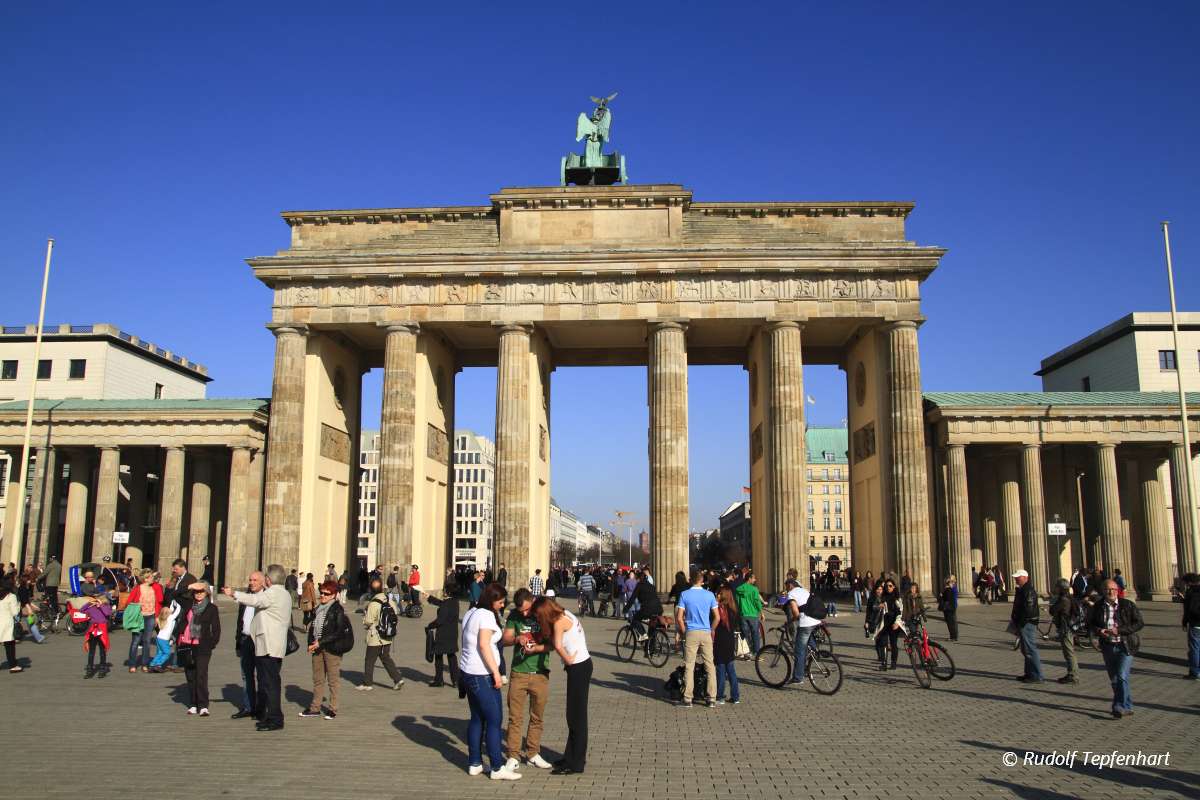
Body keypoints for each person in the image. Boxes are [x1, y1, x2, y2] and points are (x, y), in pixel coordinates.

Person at [459, 583, 520, 780]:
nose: (502, 606)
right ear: (491, 599)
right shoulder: (485, 615)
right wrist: (496, 672)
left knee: (477, 718)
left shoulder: (472, 612)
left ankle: (475, 763)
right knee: (494, 720)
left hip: (468, 672)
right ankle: (496, 767)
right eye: (500, 602)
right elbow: (484, 644)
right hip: (481, 674)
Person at [225, 564, 292, 732]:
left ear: (268, 579)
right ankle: (270, 716)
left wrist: (234, 593)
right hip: (273, 644)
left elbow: (255, 600)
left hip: (268, 645)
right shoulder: (284, 593)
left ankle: (275, 719)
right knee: (270, 683)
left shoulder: (273, 593)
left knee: (270, 684)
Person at [533, 595, 592, 775]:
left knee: (577, 717)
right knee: (573, 715)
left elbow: (557, 645)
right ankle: (569, 757)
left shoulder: (559, 622)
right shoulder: (565, 614)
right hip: (582, 666)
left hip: (578, 667)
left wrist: (568, 660)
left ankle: (576, 763)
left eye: (538, 615)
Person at [501, 588, 554, 771]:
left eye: (526, 609)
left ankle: (532, 753)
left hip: (540, 672)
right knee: (515, 717)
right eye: (520, 610)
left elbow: (552, 644)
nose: (524, 613)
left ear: (532, 601)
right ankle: (513, 756)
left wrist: (537, 648)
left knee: (537, 717)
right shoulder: (514, 616)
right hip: (519, 672)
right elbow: (505, 639)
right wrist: (517, 638)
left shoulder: (542, 614)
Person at [298, 580, 354, 719]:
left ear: (334, 595)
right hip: (317, 648)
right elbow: (313, 628)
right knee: (317, 679)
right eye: (321, 592)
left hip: (331, 649)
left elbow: (339, 631)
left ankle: (333, 709)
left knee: (333, 680)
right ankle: (315, 708)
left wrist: (321, 642)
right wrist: (311, 643)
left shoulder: (337, 610)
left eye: (326, 593)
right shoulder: (318, 608)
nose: (322, 595)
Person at [1090, 578, 1144, 718]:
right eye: (1108, 589)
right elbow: (1090, 624)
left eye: (1113, 589)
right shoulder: (1098, 606)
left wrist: (1119, 630)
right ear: (1103, 591)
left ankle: (1118, 706)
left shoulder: (1127, 605)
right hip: (1108, 645)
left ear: (1117, 591)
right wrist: (1098, 631)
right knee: (1115, 679)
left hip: (1125, 644)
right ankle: (1127, 705)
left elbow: (1139, 623)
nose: (1111, 592)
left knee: (1121, 676)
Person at [675, 569, 718, 707]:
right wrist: (712, 629)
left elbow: (679, 618)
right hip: (706, 632)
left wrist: (683, 632)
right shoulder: (710, 595)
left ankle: (688, 698)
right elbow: (717, 617)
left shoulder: (684, 594)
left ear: (690, 580)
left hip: (691, 632)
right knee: (710, 665)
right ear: (702, 580)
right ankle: (711, 698)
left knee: (689, 665)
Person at [178, 582, 220, 716]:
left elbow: (216, 628)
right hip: (186, 643)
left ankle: (203, 704)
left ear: (207, 593)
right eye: (197, 592)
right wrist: (190, 586)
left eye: (202, 591)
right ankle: (193, 703)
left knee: (201, 674)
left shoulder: (211, 608)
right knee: (190, 675)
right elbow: (174, 594)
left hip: (202, 646)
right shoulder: (188, 604)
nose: (199, 594)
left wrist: (212, 643)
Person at [361, 578, 404, 691]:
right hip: (388, 635)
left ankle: (367, 683)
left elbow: (368, 621)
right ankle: (398, 678)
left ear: (371, 589)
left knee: (370, 659)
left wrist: (365, 621)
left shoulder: (373, 603)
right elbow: (395, 614)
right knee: (385, 657)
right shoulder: (389, 601)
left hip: (375, 636)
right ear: (381, 588)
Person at [232, 575, 262, 719]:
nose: (251, 583)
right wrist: (238, 641)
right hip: (245, 639)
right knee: (246, 675)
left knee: (262, 676)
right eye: (250, 580)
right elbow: (241, 620)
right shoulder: (245, 597)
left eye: (255, 580)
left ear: (263, 582)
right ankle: (248, 706)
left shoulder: (265, 597)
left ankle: (261, 709)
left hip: (260, 640)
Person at [125, 569, 162, 672]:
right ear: (145, 579)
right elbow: (129, 602)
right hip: (139, 617)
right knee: (136, 641)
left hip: (151, 616)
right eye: (150, 577)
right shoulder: (137, 588)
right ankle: (132, 664)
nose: (152, 578)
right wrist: (137, 605)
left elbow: (157, 603)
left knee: (147, 641)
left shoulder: (154, 588)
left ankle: (144, 664)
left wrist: (157, 617)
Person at [1010, 569, 1044, 684]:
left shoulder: (1027, 590)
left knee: (1030, 649)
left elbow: (1028, 610)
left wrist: (1021, 623)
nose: (1016, 579)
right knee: (1025, 649)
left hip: (1027, 623)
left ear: (1025, 577)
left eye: (1018, 577)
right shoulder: (1022, 590)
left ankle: (1037, 675)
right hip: (1024, 622)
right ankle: (1029, 673)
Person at [1048, 577, 1079, 684]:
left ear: (1061, 588)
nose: (1055, 588)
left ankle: (1073, 675)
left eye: (1056, 586)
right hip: (1067, 627)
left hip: (1066, 628)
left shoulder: (1063, 600)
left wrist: (1053, 600)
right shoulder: (1068, 598)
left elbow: (1052, 611)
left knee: (1069, 652)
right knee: (1068, 651)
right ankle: (1071, 673)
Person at [427, 590, 461, 687]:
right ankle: (456, 680)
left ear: (448, 593)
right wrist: (429, 597)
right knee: (452, 657)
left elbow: (440, 620)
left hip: (443, 634)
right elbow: (441, 603)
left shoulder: (446, 604)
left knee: (438, 656)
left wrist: (430, 625)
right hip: (452, 634)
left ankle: (439, 680)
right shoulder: (454, 602)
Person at [713, 586, 741, 704]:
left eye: (719, 593)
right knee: (731, 670)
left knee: (720, 669)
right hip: (730, 641)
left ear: (723, 595)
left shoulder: (719, 609)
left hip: (720, 641)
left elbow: (714, 623)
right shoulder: (733, 609)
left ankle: (720, 696)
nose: (717, 595)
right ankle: (735, 697)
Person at [81, 592, 113, 679]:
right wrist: (89, 603)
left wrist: (101, 605)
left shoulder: (106, 606)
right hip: (93, 629)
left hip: (102, 629)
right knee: (91, 651)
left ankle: (102, 669)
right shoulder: (92, 607)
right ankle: (89, 669)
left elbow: (108, 614)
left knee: (102, 651)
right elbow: (82, 610)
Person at [873, 579, 901, 670]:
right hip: (884, 623)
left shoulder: (897, 598)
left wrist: (897, 623)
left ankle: (893, 663)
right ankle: (884, 664)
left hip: (894, 623)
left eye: (890, 586)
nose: (888, 587)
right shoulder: (883, 597)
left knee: (893, 644)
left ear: (894, 587)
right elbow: (874, 606)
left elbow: (901, 612)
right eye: (887, 586)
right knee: (883, 643)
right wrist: (878, 606)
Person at [733, 571, 763, 656]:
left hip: (743, 614)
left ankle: (747, 650)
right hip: (753, 614)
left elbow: (737, 601)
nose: (755, 580)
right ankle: (756, 651)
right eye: (754, 578)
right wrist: (761, 612)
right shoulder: (754, 589)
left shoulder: (739, 589)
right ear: (749, 579)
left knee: (745, 633)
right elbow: (757, 602)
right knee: (755, 633)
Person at [628, 569, 663, 641]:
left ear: (639, 579)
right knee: (652, 629)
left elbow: (632, 599)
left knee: (635, 619)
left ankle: (643, 634)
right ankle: (650, 649)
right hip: (658, 608)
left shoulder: (639, 585)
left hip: (648, 609)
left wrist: (625, 609)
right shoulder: (652, 586)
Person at [0, 581, 23, 673]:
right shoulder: (11, 596)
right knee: (9, 645)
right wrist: (18, 605)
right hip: (7, 623)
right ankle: (13, 665)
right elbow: (14, 612)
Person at [1183, 573, 1200, 680]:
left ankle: (1194, 672)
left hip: (1196, 624)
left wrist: (1185, 622)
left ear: (1189, 582)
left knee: (1194, 649)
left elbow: (1190, 609)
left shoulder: (1191, 592)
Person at [938, 577, 958, 642]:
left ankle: (953, 637)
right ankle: (954, 636)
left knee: (950, 623)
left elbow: (945, 599)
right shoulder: (951, 590)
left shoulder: (947, 590)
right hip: (951, 608)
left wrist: (941, 596)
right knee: (952, 623)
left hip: (948, 609)